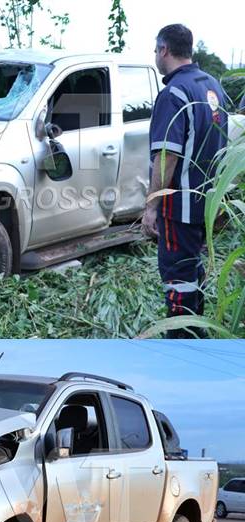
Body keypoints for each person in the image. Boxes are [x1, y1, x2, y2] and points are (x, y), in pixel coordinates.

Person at [143, 23, 229, 334]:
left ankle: (182, 340)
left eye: (156, 50)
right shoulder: (212, 87)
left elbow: (166, 157)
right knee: (194, 271)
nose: (155, 55)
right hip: (205, 206)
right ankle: (199, 330)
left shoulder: (173, 93)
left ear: (164, 49)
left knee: (178, 278)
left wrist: (151, 207)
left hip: (178, 208)